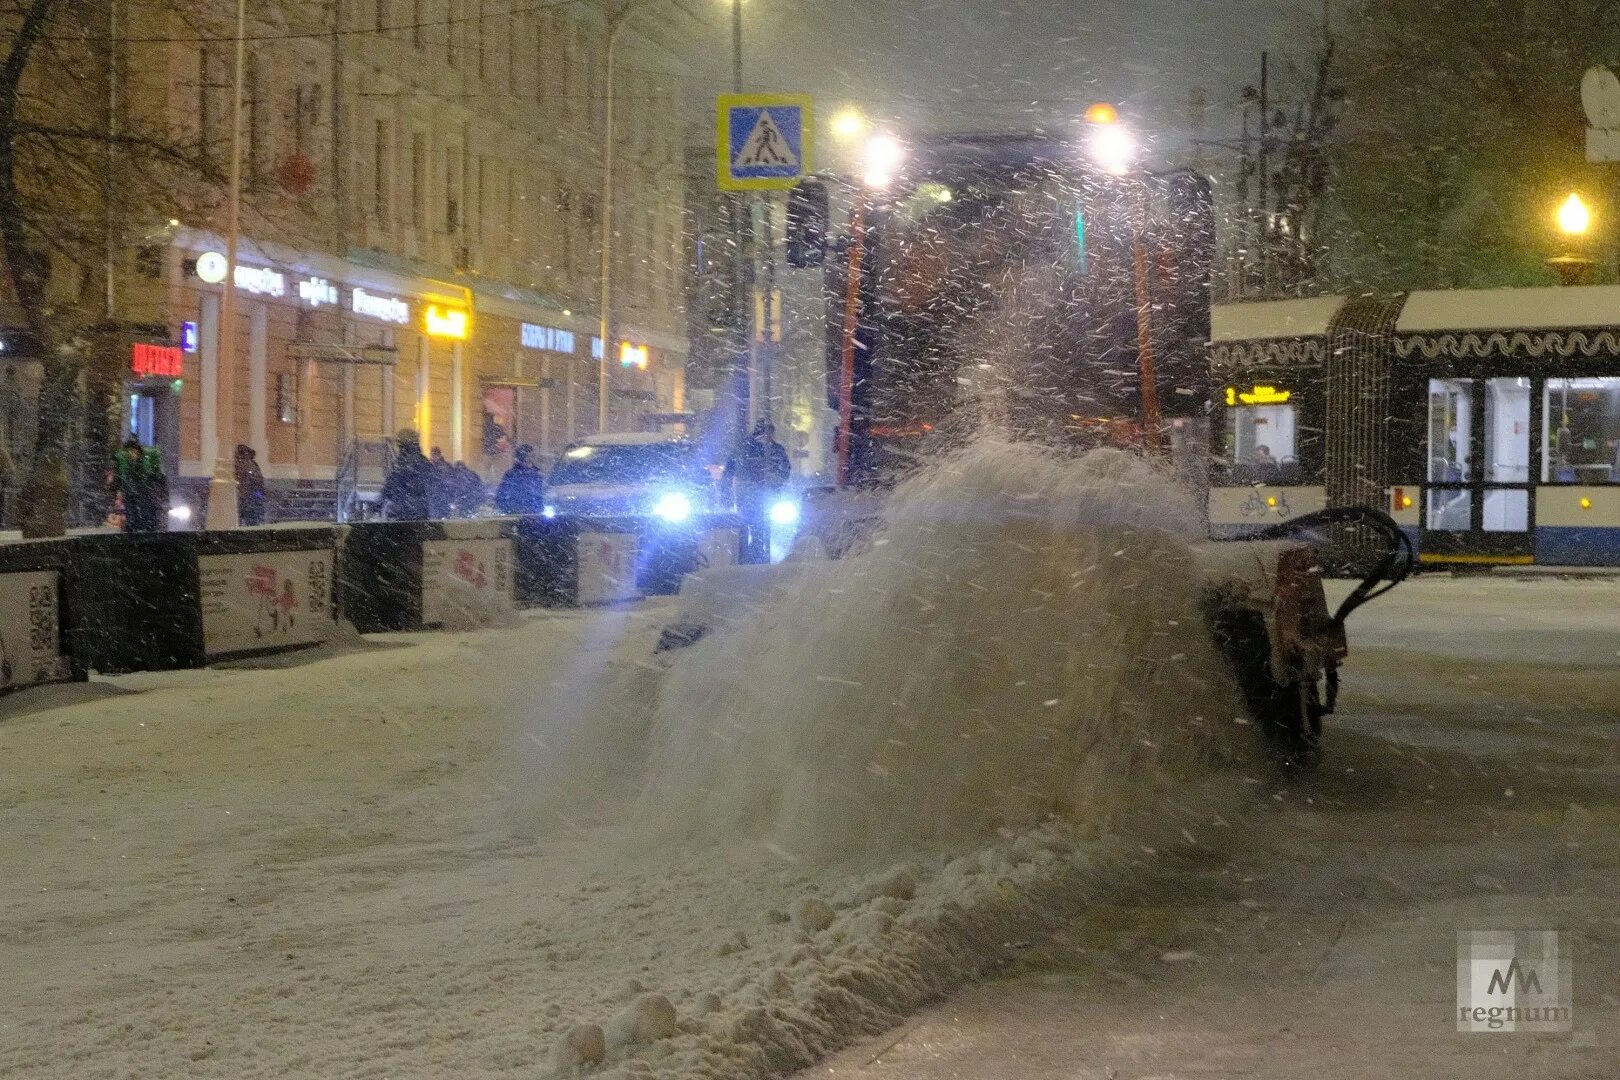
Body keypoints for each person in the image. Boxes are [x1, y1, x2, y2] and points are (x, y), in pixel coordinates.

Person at [723, 421, 792, 562]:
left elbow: (728, 473)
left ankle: (744, 558)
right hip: (765, 497)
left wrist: (726, 493)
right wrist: (774, 483)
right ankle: (760, 557)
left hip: (746, 496)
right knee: (762, 529)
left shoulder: (742, 449)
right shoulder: (775, 450)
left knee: (745, 527)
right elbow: (784, 472)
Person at [109, 439, 169, 533]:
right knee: (133, 519)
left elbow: (159, 479)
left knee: (145, 519)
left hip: (144, 496)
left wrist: (163, 496)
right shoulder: (124, 464)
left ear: (138, 451)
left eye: (133, 451)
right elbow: (119, 480)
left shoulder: (147, 464)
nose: (131, 454)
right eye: (129, 451)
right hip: (132, 496)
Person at [381, 429, 433, 520]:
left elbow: (391, 485)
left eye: (398, 443)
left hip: (402, 513)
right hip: (420, 512)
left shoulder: (402, 463)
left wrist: (379, 504)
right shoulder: (423, 461)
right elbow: (431, 486)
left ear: (402, 444)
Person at [495, 444, 546, 515]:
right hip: (519, 514)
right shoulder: (512, 474)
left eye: (533, 455)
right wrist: (512, 510)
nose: (534, 457)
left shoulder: (537, 474)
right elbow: (501, 496)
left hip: (534, 513)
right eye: (531, 455)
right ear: (525, 457)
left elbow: (542, 493)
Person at [234, 444, 267, 526]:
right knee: (251, 518)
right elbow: (259, 479)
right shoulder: (252, 464)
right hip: (250, 496)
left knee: (245, 518)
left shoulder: (241, 464)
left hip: (247, 496)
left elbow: (257, 479)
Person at [428, 447, 454, 518]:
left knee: (438, 517)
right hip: (442, 497)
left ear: (438, 455)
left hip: (440, 497)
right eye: (432, 455)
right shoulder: (446, 466)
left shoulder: (433, 467)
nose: (433, 457)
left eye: (434, 455)